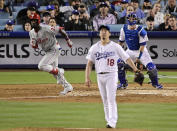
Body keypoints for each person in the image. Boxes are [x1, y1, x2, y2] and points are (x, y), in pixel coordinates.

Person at [85, 25, 140, 128]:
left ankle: (113, 121)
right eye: (102, 31)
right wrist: (87, 78)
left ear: (109, 33)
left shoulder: (115, 46)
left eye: (105, 31)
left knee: (111, 99)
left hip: (111, 75)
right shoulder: (94, 47)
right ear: (99, 33)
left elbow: (127, 58)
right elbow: (89, 63)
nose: (104, 32)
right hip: (99, 76)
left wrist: (135, 69)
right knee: (104, 99)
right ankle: (108, 121)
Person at [29, 13, 73, 95]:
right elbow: (35, 46)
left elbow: (60, 30)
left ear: (38, 21)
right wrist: (33, 44)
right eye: (32, 21)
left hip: (54, 49)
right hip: (48, 51)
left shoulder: (46, 28)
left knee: (41, 66)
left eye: (34, 21)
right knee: (54, 72)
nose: (33, 23)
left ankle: (60, 70)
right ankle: (67, 86)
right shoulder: (31, 33)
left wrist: (68, 40)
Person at [117, 13, 163, 89]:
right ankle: (123, 83)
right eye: (130, 19)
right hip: (130, 50)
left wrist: (138, 58)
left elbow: (142, 46)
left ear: (136, 20)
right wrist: (118, 52)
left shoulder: (141, 30)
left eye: (133, 19)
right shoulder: (123, 29)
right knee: (119, 63)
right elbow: (120, 42)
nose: (131, 21)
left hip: (141, 50)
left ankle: (155, 83)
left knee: (151, 68)